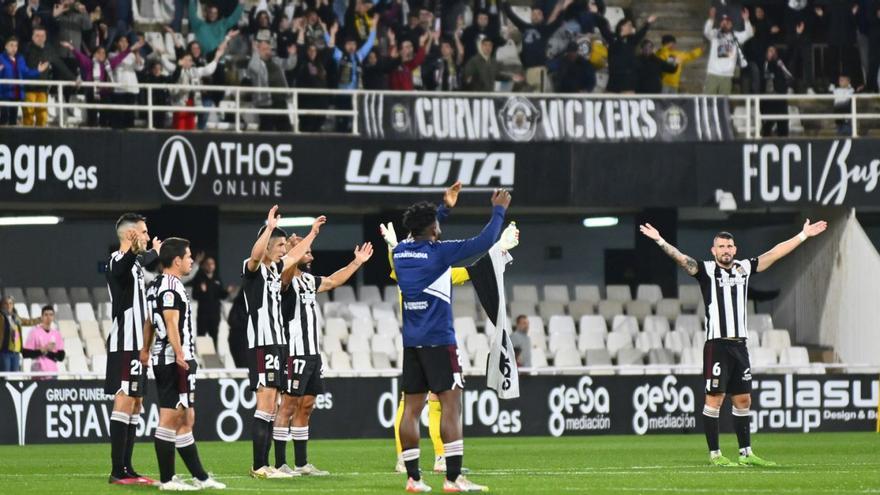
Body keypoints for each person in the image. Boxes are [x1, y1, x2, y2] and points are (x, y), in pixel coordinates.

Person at [639, 218, 828, 467]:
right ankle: (715, 454)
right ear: (713, 250)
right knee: (714, 399)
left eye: (729, 246)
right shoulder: (706, 270)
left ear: (735, 249)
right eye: (721, 247)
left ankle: (745, 453)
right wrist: (660, 240)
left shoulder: (744, 268)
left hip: (740, 346)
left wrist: (803, 236)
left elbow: (775, 253)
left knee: (743, 400)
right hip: (717, 345)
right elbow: (683, 259)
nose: (726, 250)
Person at [394, 187, 511, 493]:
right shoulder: (440, 253)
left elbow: (421, 233)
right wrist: (498, 210)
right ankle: (453, 478)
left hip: (412, 344)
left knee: (411, 410)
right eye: (437, 223)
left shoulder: (400, 253)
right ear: (433, 228)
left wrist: (443, 208)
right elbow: (483, 242)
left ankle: (413, 479)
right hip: (439, 341)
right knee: (451, 405)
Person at [273, 234, 374, 476]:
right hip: (294, 352)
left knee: (306, 406)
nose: (312, 255)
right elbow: (287, 269)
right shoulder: (283, 279)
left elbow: (331, 281)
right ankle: (279, 464)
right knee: (287, 406)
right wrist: (306, 238)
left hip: (312, 354)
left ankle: (301, 463)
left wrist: (357, 262)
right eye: (307, 252)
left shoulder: (308, 280)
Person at [242, 205, 324, 479]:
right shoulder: (253, 269)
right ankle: (259, 466)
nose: (281, 249)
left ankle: (266, 466)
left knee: (272, 405)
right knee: (265, 406)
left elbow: (295, 256)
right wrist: (268, 227)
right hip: (262, 343)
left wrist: (312, 234)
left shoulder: (276, 270)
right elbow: (256, 255)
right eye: (278, 245)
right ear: (266, 246)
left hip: (278, 344)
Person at [141, 238, 226, 491]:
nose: (191, 261)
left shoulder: (156, 284)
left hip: (170, 356)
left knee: (187, 416)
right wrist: (179, 354)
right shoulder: (170, 287)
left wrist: (145, 349)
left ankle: (200, 477)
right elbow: (170, 322)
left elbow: (148, 322)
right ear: (177, 261)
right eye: (188, 256)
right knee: (170, 418)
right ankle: (167, 480)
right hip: (173, 358)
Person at [105, 212, 161, 485]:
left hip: (137, 347)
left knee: (136, 404)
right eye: (144, 232)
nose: (148, 236)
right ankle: (117, 470)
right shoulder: (118, 260)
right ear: (131, 235)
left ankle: (127, 468)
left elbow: (143, 260)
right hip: (125, 345)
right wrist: (147, 252)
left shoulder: (137, 266)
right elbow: (120, 268)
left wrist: (153, 253)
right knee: (125, 399)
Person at [501, 0, 571, 92]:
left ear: (542, 16)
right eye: (533, 14)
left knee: (538, 97)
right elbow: (512, 16)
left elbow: (558, 22)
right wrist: (504, 3)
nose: (536, 16)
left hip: (539, 70)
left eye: (539, 14)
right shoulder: (525, 27)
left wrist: (562, 8)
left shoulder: (545, 30)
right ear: (530, 16)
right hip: (527, 70)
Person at [62, 40, 133, 127]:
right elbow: (79, 56)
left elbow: (120, 57)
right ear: (95, 54)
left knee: (105, 117)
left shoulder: (108, 65)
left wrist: (132, 48)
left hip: (105, 94)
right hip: (92, 93)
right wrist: (70, 47)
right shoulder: (89, 63)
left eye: (103, 53)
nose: (101, 55)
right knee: (92, 118)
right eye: (99, 53)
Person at [248, 37, 297, 132]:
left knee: (286, 129)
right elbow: (254, 68)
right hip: (265, 102)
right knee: (267, 129)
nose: (268, 51)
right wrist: (255, 52)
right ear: (258, 51)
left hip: (281, 101)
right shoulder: (255, 63)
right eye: (264, 49)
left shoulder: (276, 61)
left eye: (269, 49)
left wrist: (292, 54)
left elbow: (289, 65)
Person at [599, 15, 657, 94]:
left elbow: (641, 33)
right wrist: (598, 15)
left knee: (628, 101)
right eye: (629, 25)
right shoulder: (613, 38)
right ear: (622, 26)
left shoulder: (631, 40)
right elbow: (603, 29)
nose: (631, 27)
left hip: (628, 79)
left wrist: (648, 23)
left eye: (632, 25)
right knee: (609, 102)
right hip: (614, 78)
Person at [0, 36, 48, 125]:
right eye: (11, 45)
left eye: (16, 46)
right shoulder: (1, 58)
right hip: (4, 93)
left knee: (13, 118)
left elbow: (26, 72)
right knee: (4, 116)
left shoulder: (20, 59)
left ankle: (12, 137)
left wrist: (38, 71)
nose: (14, 48)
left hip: (16, 92)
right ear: (5, 46)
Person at [703, 8, 753, 95]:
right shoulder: (715, 34)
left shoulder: (736, 36)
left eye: (727, 22)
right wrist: (711, 19)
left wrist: (746, 20)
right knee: (708, 100)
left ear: (731, 24)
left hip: (727, 75)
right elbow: (707, 32)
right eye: (723, 22)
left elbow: (749, 34)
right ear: (720, 24)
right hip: (713, 73)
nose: (725, 24)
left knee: (724, 102)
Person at [191, 256, 233, 347]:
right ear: (204, 266)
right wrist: (202, 291)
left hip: (215, 314)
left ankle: (214, 357)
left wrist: (226, 292)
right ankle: (201, 358)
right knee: (201, 336)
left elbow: (221, 295)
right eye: (208, 264)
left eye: (212, 264)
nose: (210, 266)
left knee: (214, 337)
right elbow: (194, 296)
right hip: (203, 314)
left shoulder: (217, 279)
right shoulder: (199, 278)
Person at [758, 45, 793, 137]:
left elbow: (788, 76)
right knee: (767, 124)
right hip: (767, 98)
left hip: (779, 96)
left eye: (773, 51)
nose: (771, 53)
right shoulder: (762, 64)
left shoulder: (779, 64)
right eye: (769, 51)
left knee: (782, 123)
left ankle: (784, 139)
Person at [0, 295, 41, 371]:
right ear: (2, 305)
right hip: (4, 351)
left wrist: (40, 319)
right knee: (5, 376)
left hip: (16, 351)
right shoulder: (1, 317)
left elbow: (28, 322)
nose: (8, 305)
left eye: (10, 303)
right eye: (6, 303)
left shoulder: (16, 317)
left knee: (15, 376)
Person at [21, 305, 65, 375]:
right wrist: (43, 349)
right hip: (37, 372)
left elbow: (61, 356)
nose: (48, 317)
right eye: (46, 315)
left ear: (53, 317)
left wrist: (46, 352)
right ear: (41, 317)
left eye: (51, 315)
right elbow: (25, 353)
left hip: (53, 372)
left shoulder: (57, 334)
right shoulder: (34, 332)